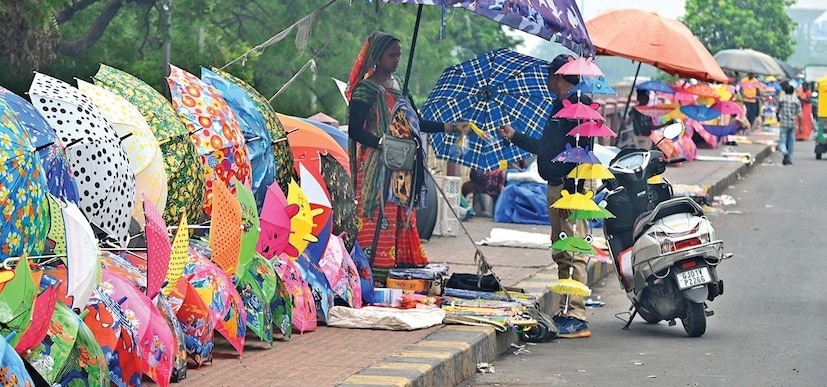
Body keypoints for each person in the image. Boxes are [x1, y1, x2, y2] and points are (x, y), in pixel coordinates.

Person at [346, 31, 469, 285]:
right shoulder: (365, 90)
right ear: (377, 57)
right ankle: (371, 275)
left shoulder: (400, 87)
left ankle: (399, 272)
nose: (397, 60)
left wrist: (450, 127)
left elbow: (416, 122)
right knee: (376, 215)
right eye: (392, 55)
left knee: (401, 216)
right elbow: (354, 129)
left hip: (402, 168)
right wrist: (381, 142)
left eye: (400, 55)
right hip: (376, 167)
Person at [497, 54, 591, 338]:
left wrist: (571, 195)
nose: (548, 80)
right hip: (556, 184)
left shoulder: (578, 106)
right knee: (561, 251)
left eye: (550, 75)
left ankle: (577, 315)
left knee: (574, 251)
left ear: (558, 77)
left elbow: (581, 153)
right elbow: (547, 149)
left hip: (569, 186)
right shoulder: (558, 106)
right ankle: (566, 308)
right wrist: (515, 136)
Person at [777, 82, 802, 165]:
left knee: (782, 141)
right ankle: (789, 158)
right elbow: (799, 115)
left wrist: (778, 118)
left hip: (783, 122)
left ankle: (785, 152)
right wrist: (800, 126)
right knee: (791, 141)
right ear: (792, 91)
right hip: (792, 123)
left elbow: (777, 111)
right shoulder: (797, 101)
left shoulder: (781, 99)